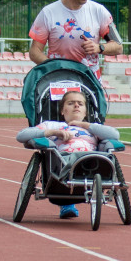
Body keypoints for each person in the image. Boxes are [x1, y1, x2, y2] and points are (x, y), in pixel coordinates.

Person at [14, 90, 120, 220]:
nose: (76, 105)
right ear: (62, 110)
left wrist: (84, 125)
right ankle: (68, 204)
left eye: (80, 104)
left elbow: (115, 135)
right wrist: (53, 132)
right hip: (63, 161)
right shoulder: (52, 125)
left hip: (92, 160)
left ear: (85, 111)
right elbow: (21, 136)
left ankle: (72, 201)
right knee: (71, 160)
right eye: (71, 103)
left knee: (104, 154)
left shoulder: (93, 128)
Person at [29, 0, 123, 77]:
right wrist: (55, 67)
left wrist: (99, 48)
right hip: (59, 79)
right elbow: (34, 52)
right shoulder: (48, 13)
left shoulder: (99, 11)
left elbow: (118, 46)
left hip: (89, 80)